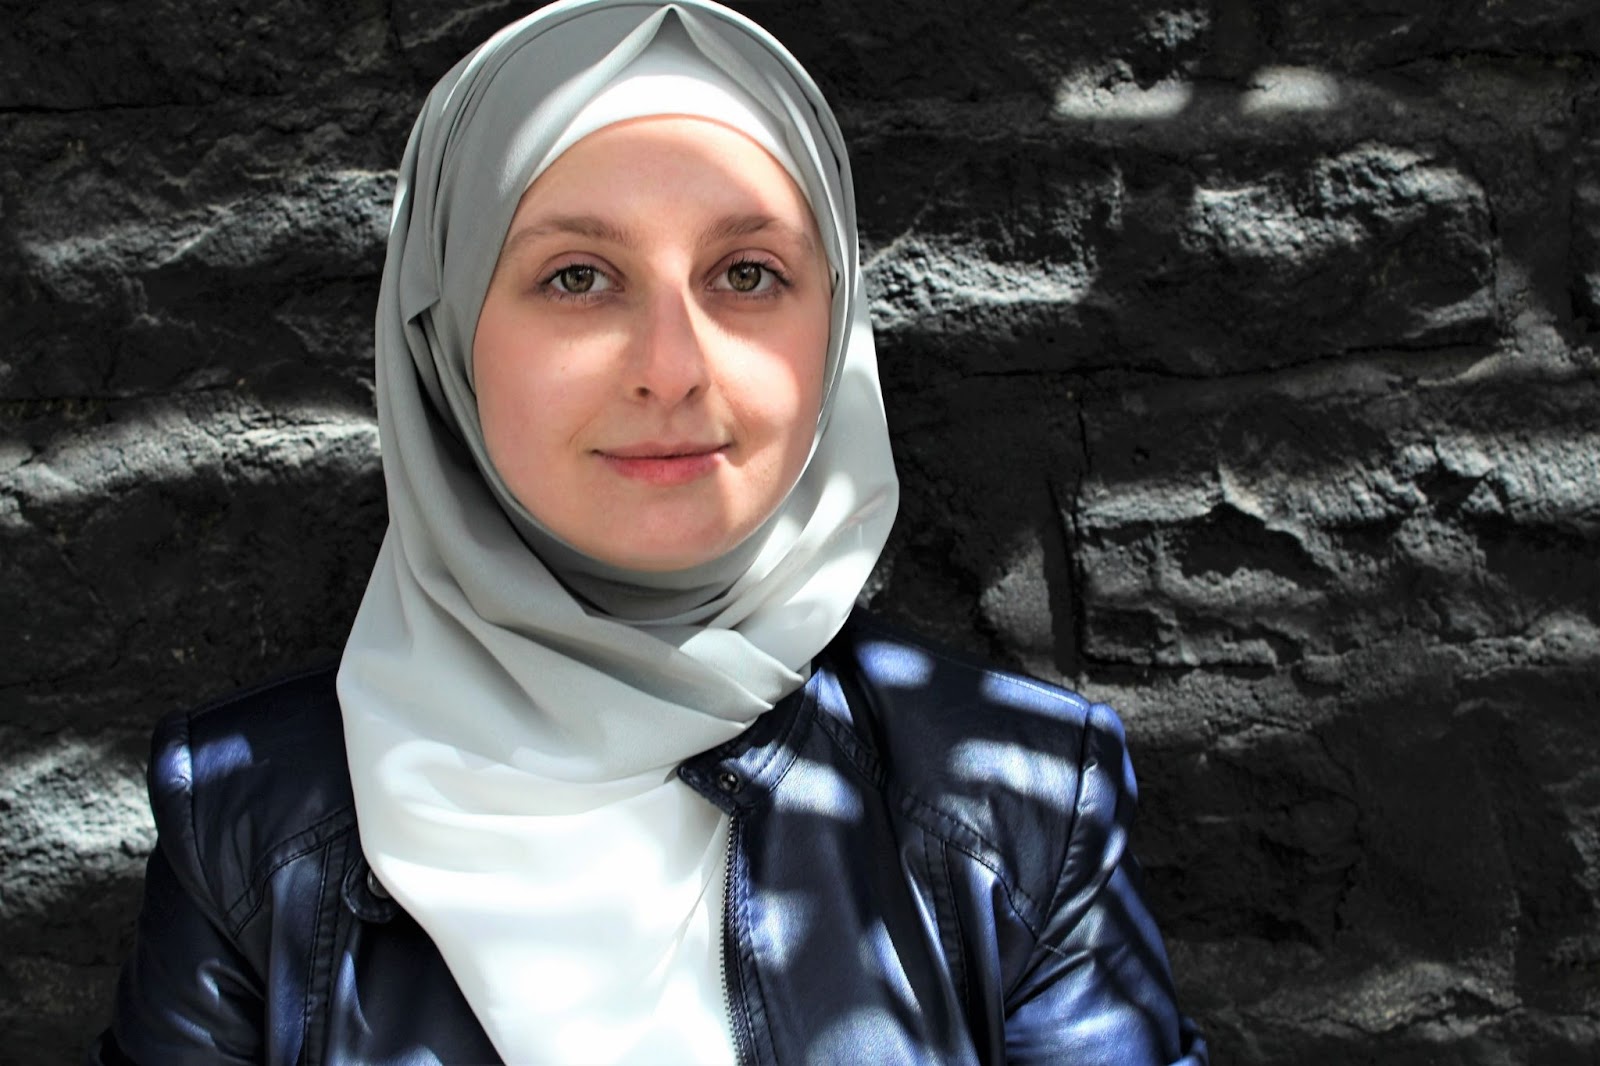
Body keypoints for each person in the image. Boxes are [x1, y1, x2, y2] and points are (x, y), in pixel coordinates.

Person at [91, 0, 1208, 1062]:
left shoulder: (1016, 801)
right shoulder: (244, 819)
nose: (671, 368)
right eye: (577, 276)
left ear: (835, 325)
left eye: (747, 273)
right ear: (446, 338)